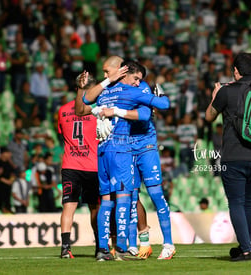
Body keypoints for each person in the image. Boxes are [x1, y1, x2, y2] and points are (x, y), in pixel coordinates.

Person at [82, 59, 170, 261]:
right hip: (121, 148)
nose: (138, 83)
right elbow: (163, 105)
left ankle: (103, 250)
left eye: (107, 72)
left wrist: (105, 91)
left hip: (102, 149)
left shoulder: (104, 92)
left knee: (105, 200)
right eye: (136, 79)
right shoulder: (129, 91)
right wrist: (161, 94)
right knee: (124, 197)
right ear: (123, 72)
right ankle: (121, 246)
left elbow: (86, 99)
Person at [205, 52, 251, 261]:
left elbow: (209, 116)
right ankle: (246, 246)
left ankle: (246, 249)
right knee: (250, 203)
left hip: (234, 155)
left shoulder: (227, 92)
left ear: (236, 71)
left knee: (237, 203)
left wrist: (216, 94)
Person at [58, 75, 100, 258]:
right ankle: (100, 246)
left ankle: (65, 248)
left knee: (68, 206)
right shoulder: (96, 110)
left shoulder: (62, 110)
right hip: (93, 166)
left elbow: (62, 133)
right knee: (95, 208)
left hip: (70, 165)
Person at [0, 147, 15, 213]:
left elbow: (13, 173)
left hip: (8, 187)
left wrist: (11, 180)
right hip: (0, 187)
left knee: (8, 201)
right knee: (1, 202)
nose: (9, 154)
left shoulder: (9, 164)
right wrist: (7, 181)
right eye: (7, 153)